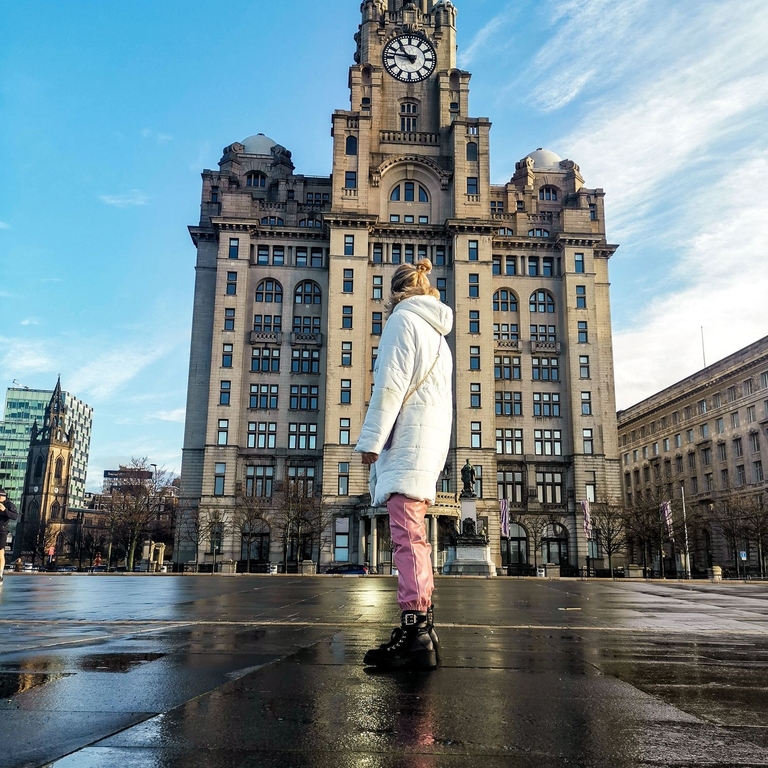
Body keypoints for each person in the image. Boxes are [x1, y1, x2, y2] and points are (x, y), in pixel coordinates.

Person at [356, 259, 453, 670]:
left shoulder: (401, 322)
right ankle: (422, 628)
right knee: (415, 536)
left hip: (408, 439)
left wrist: (370, 441)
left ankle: (414, 632)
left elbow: (389, 386)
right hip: (427, 441)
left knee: (406, 537)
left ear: (395, 293)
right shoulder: (438, 333)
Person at [0, 487, 19, 584]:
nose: (0, 498)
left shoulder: (9, 505)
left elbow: (15, 516)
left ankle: (0, 574)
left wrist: (5, 510)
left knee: (0, 552)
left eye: (1, 496)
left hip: (2, 531)